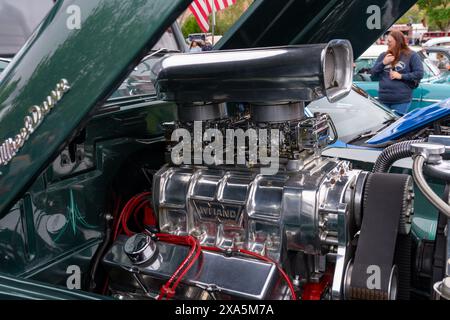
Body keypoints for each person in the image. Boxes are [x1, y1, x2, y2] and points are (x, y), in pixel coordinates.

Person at [370, 30, 424, 115]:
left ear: (398, 41)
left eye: (390, 41)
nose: (387, 43)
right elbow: (373, 75)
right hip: (383, 99)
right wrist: (383, 63)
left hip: (401, 101)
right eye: (387, 41)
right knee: (384, 127)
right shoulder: (383, 56)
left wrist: (401, 76)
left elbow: (419, 73)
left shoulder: (411, 55)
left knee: (395, 126)